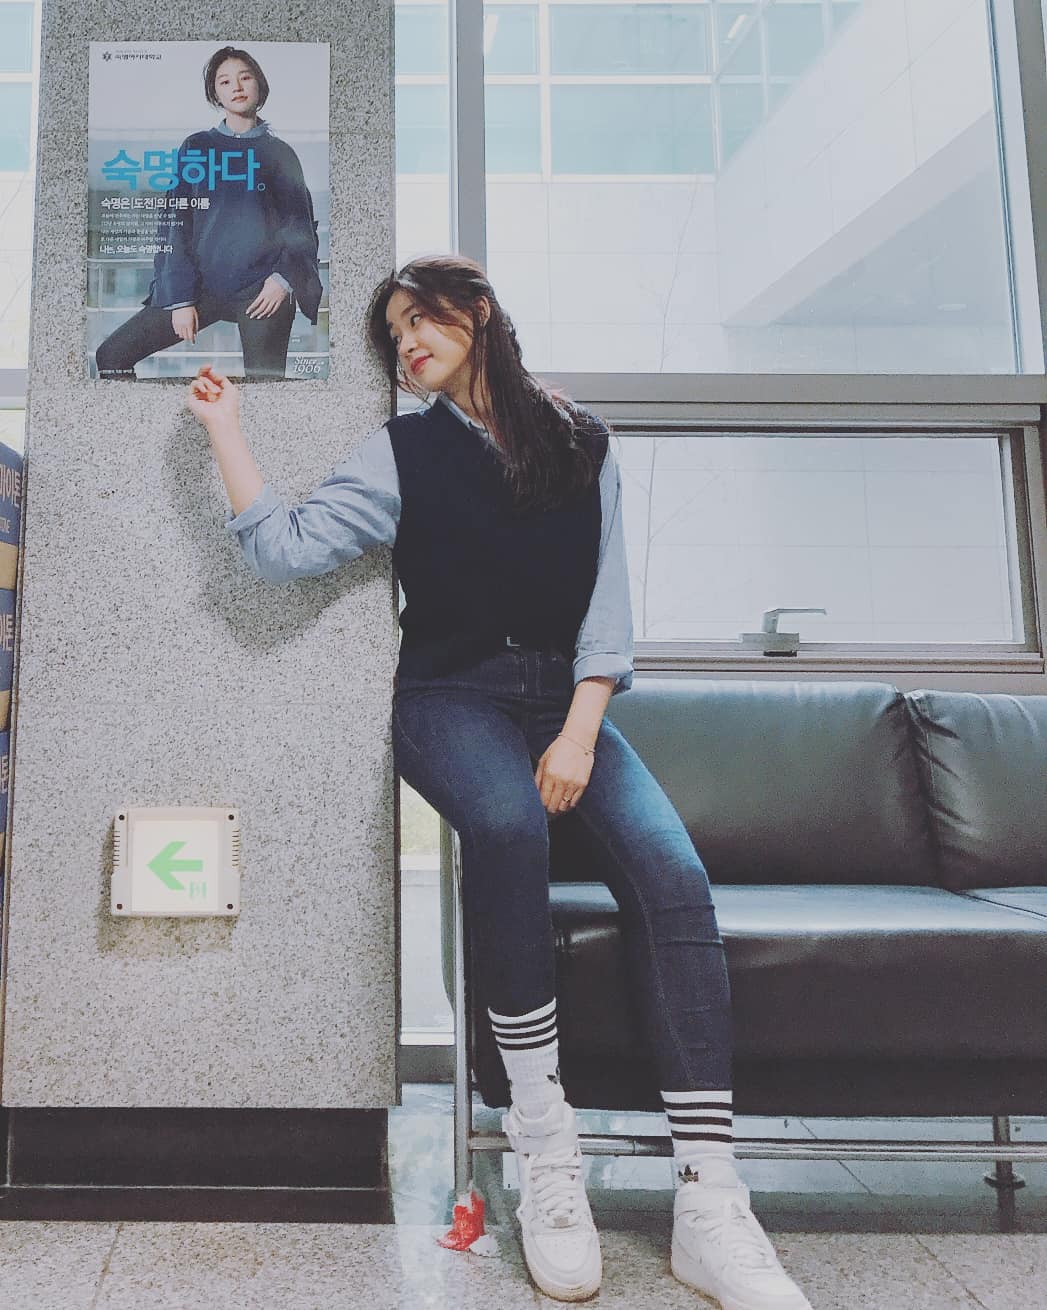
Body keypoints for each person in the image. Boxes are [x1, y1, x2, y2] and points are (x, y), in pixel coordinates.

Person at [186, 255, 812, 1310]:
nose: (408, 344)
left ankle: (711, 1198)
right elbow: (285, 550)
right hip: (449, 698)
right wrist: (225, 432)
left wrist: (578, 733)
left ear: (476, 313)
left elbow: (607, 613)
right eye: (394, 334)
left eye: (421, 320)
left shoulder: (582, 440)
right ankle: (546, 1154)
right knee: (509, 829)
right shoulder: (404, 451)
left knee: (672, 874)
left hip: (568, 703)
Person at [96, 45, 322, 381]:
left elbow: (300, 226)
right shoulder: (197, 147)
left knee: (266, 390)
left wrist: (282, 280)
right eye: (225, 81)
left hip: (261, 291)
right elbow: (175, 225)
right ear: (215, 94)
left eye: (245, 78)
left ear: (259, 85)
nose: (237, 87)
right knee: (111, 356)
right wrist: (180, 300)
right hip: (201, 287)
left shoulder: (280, 154)